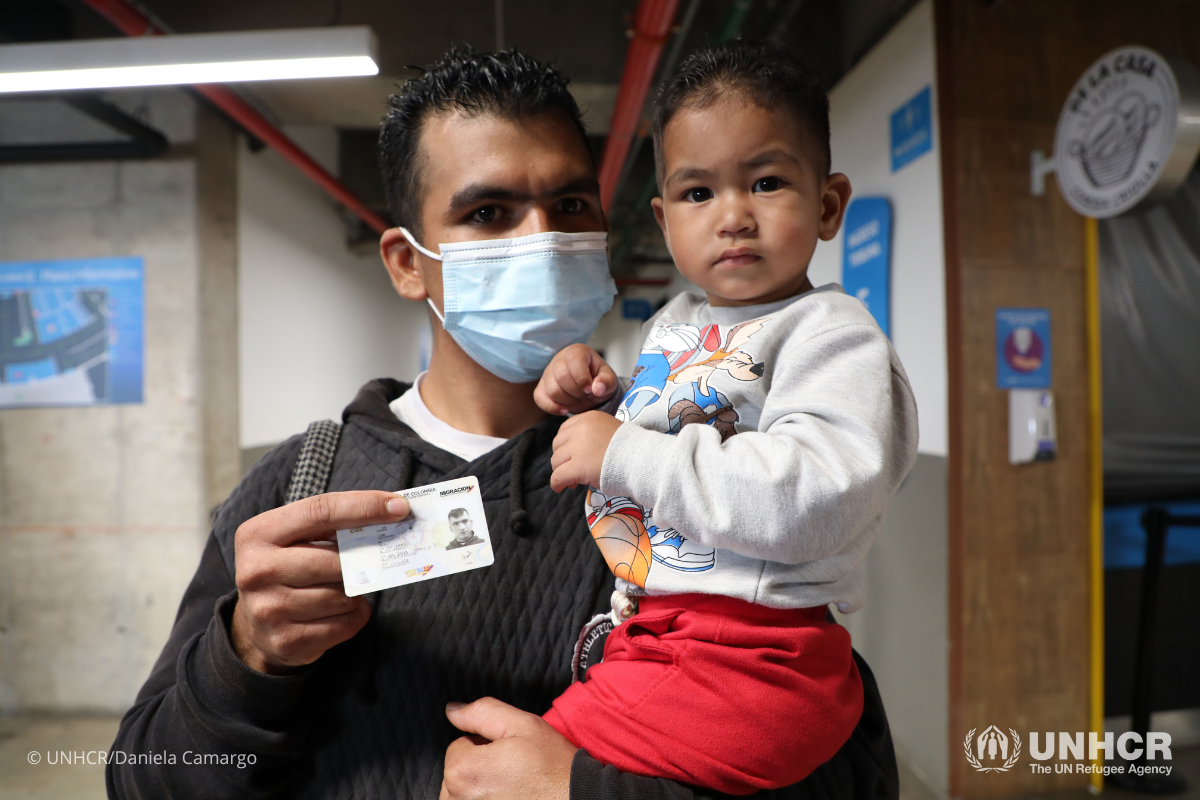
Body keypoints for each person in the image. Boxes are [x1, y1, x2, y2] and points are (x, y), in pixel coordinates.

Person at [107, 46, 901, 800]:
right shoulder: (296, 491)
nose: (542, 239)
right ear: (407, 262)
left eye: (569, 205)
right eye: (488, 212)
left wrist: (587, 790)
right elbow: (145, 780)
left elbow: (846, 769)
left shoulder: (700, 467)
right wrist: (245, 656)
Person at [535, 41, 918, 795]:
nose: (734, 216)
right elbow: (671, 439)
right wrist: (599, 398)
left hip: (750, 658)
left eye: (767, 181)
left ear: (829, 205)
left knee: (514, 763)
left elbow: (813, 498)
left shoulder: (831, 334)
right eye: (697, 193)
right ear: (664, 217)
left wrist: (623, 454)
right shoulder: (676, 321)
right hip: (657, 635)